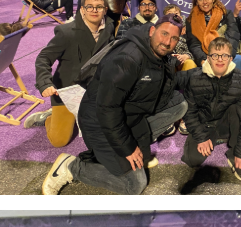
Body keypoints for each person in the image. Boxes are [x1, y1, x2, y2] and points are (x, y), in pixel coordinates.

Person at [42, 15, 189, 196]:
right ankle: (72, 167)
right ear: (152, 30)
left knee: (180, 104)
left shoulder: (159, 54)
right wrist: (127, 147)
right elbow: (107, 109)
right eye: (164, 34)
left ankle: (130, 147)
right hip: (99, 122)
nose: (167, 42)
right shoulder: (128, 58)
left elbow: (163, 88)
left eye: (174, 38)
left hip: (128, 116)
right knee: (134, 184)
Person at [24, 0, 112, 140]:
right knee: (60, 140)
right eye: (89, 6)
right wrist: (45, 83)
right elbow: (43, 58)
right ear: (82, 9)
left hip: (97, 90)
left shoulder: (111, 29)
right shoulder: (66, 32)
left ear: (105, 10)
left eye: (99, 7)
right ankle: (47, 117)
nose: (94, 10)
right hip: (68, 91)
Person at [179, 36, 241, 183]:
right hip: (205, 123)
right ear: (208, 58)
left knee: (237, 108)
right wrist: (201, 137)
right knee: (192, 160)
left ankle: (231, 150)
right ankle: (215, 137)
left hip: (227, 121)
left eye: (225, 55)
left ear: (231, 58)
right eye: (215, 55)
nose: (220, 59)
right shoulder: (195, 78)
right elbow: (189, 112)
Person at [185, 0, 241, 72]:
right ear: (197, 2)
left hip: (226, 55)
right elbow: (194, 45)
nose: (205, 2)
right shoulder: (190, 20)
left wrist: (226, 57)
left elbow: (233, 37)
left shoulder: (226, 14)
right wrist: (203, 60)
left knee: (240, 61)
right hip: (206, 57)